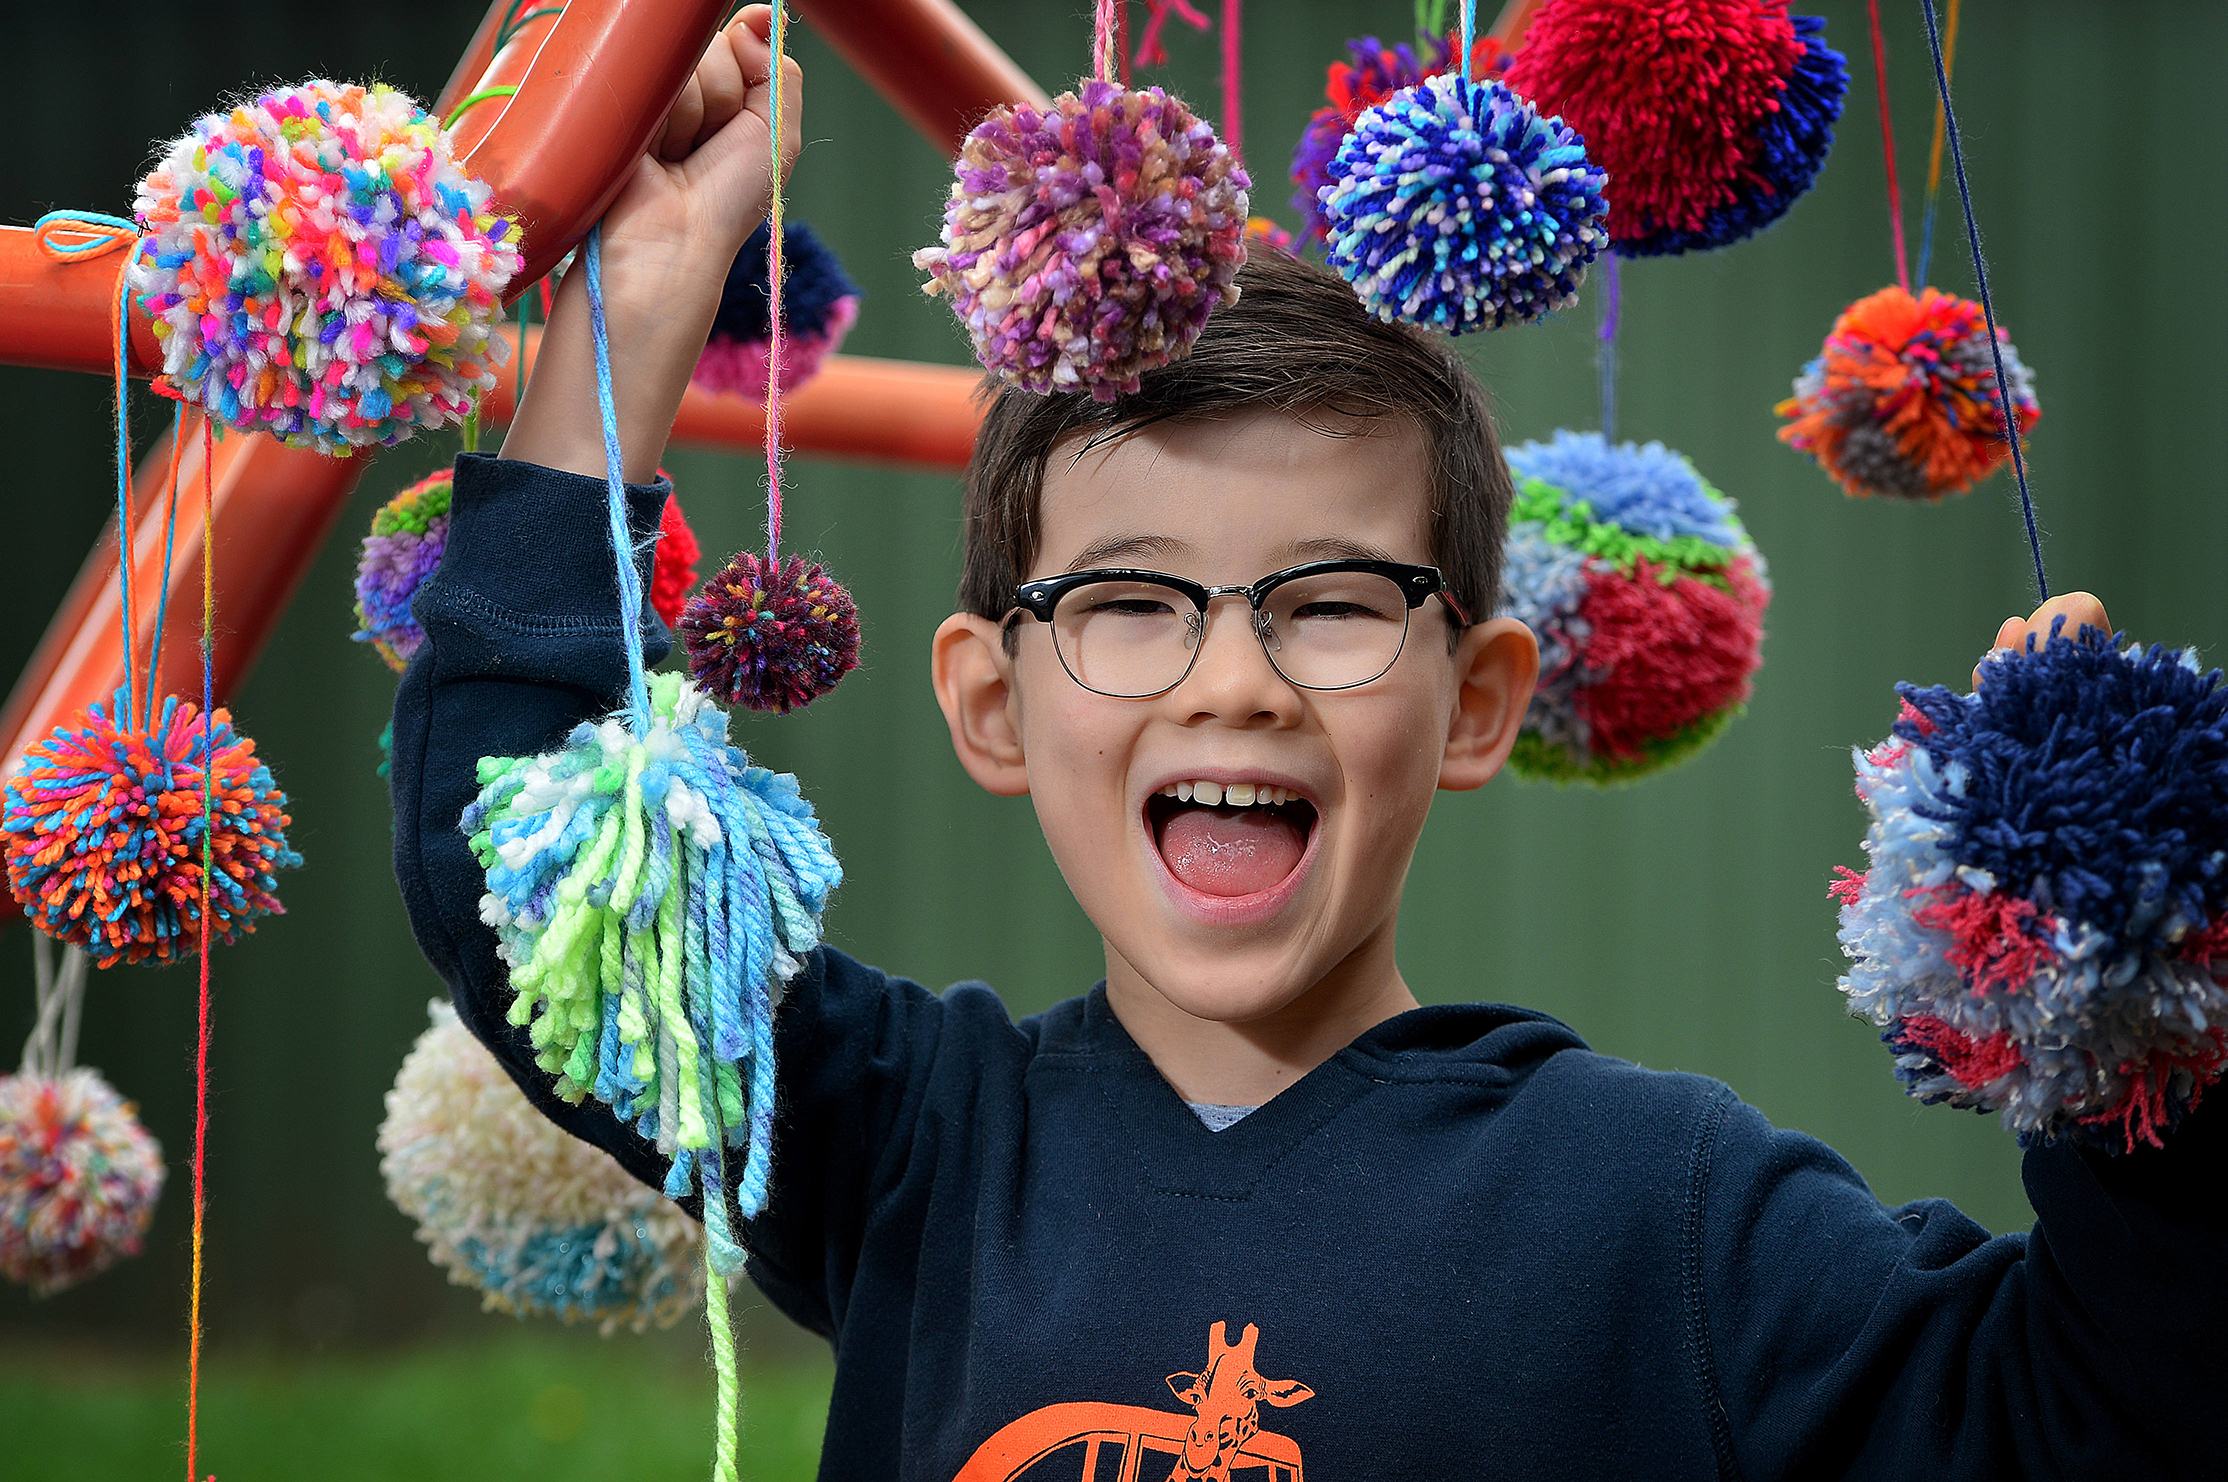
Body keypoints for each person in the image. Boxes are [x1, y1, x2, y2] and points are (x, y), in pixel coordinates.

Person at [389, 11, 2222, 1478]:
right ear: (990, 700)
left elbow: (2100, 1415)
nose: (1235, 682)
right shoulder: (913, 1150)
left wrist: (2125, 983)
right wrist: (631, 309)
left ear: (1482, 695)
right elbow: (524, 880)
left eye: (1332, 600)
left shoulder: (1657, 1213)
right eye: (1129, 602)